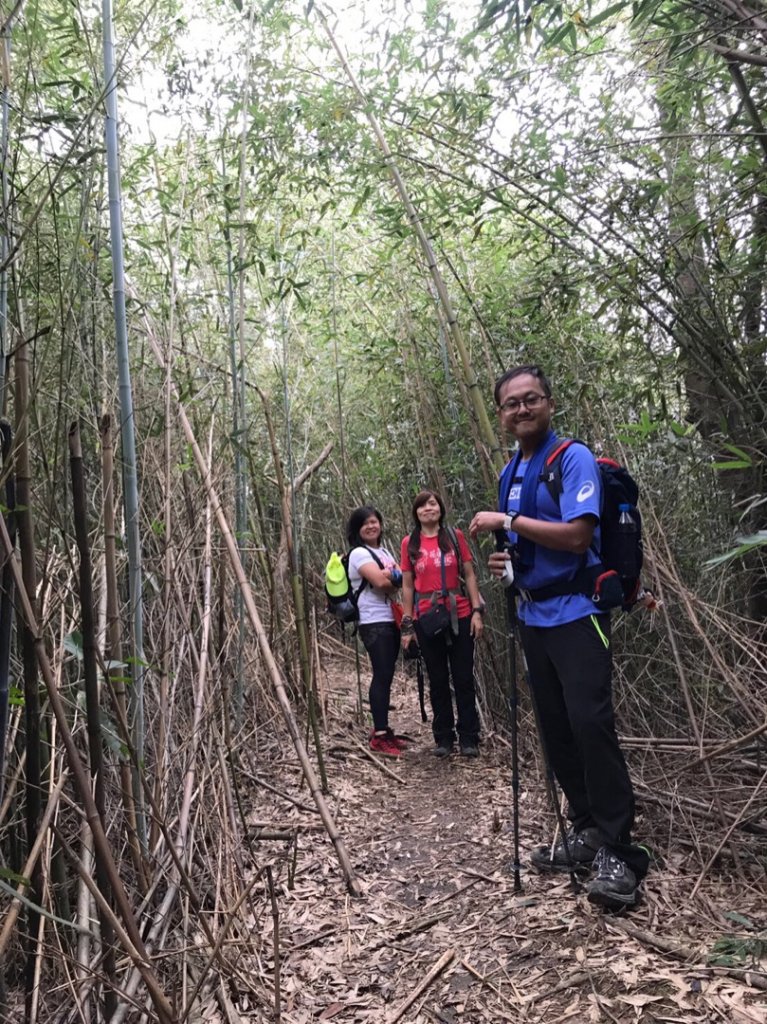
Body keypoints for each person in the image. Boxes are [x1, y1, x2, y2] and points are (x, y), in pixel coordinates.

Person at [470, 364, 649, 910]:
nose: (521, 410)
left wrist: (508, 523)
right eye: (511, 404)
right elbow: (524, 546)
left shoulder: (570, 457)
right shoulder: (510, 472)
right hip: (533, 615)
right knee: (556, 727)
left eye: (531, 400)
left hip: (579, 611)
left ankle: (621, 847)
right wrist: (506, 558)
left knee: (591, 723)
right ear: (501, 415)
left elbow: (576, 537)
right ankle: (588, 827)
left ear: (548, 403)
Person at [400, 491, 484, 758]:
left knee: (463, 677)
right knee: (437, 679)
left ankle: (469, 738)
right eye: (422, 506)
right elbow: (407, 585)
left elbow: (469, 575)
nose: (428, 509)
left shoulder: (455, 537)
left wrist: (476, 611)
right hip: (426, 617)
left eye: (433, 503)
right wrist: (408, 624)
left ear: (440, 508)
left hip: (458, 613)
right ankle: (444, 738)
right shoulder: (409, 544)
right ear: (416, 512)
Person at [346, 506, 405, 758]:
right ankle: (379, 735)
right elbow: (383, 583)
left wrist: (393, 576)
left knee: (386, 674)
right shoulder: (359, 553)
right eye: (365, 524)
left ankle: (383, 729)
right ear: (357, 530)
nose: (371, 526)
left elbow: (397, 578)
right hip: (372, 620)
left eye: (374, 522)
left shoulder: (382, 551)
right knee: (381, 674)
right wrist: (393, 576)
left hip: (389, 617)